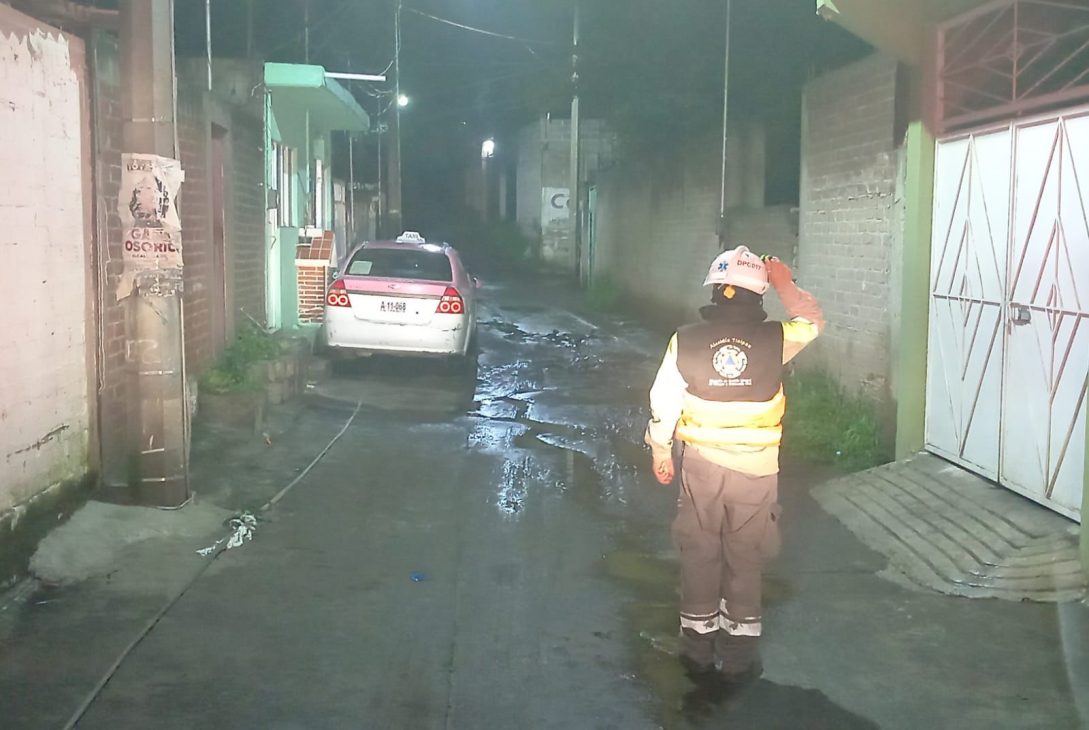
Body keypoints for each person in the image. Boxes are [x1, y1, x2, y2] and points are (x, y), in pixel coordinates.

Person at [645, 245, 824, 682]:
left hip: (701, 468)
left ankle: (696, 651)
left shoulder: (684, 338)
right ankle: (738, 659)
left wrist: (660, 449)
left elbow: (664, 399)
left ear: (715, 288)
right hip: (756, 472)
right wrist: (786, 282)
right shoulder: (777, 338)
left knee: (700, 553)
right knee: (745, 559)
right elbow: (814, 323)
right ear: (758, 295)